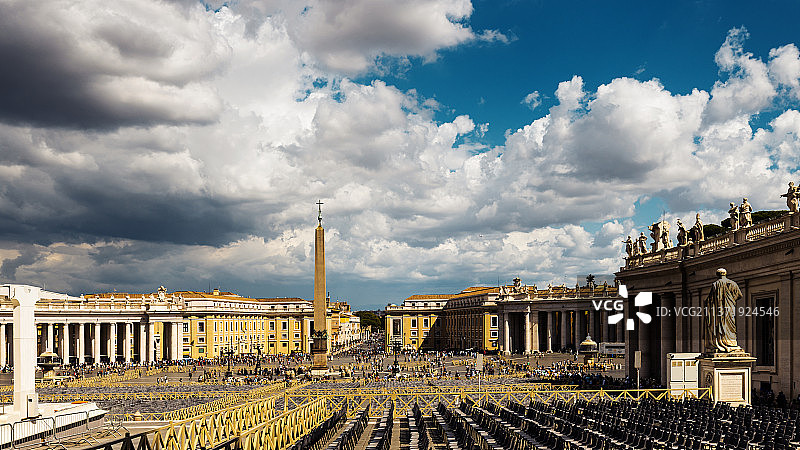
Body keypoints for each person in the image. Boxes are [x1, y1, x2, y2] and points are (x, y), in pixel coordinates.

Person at [703, 268, 743, 353]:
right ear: (725, 274)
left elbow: (710, 299)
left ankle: (721, 341)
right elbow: (739, 295)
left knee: (721, 325)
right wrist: (732, 299)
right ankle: (731, 343)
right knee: (730, 326)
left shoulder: (715, 284)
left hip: (719, 310)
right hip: (730, 308)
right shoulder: (732, 283)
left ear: (717, 275)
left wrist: (706, 303)